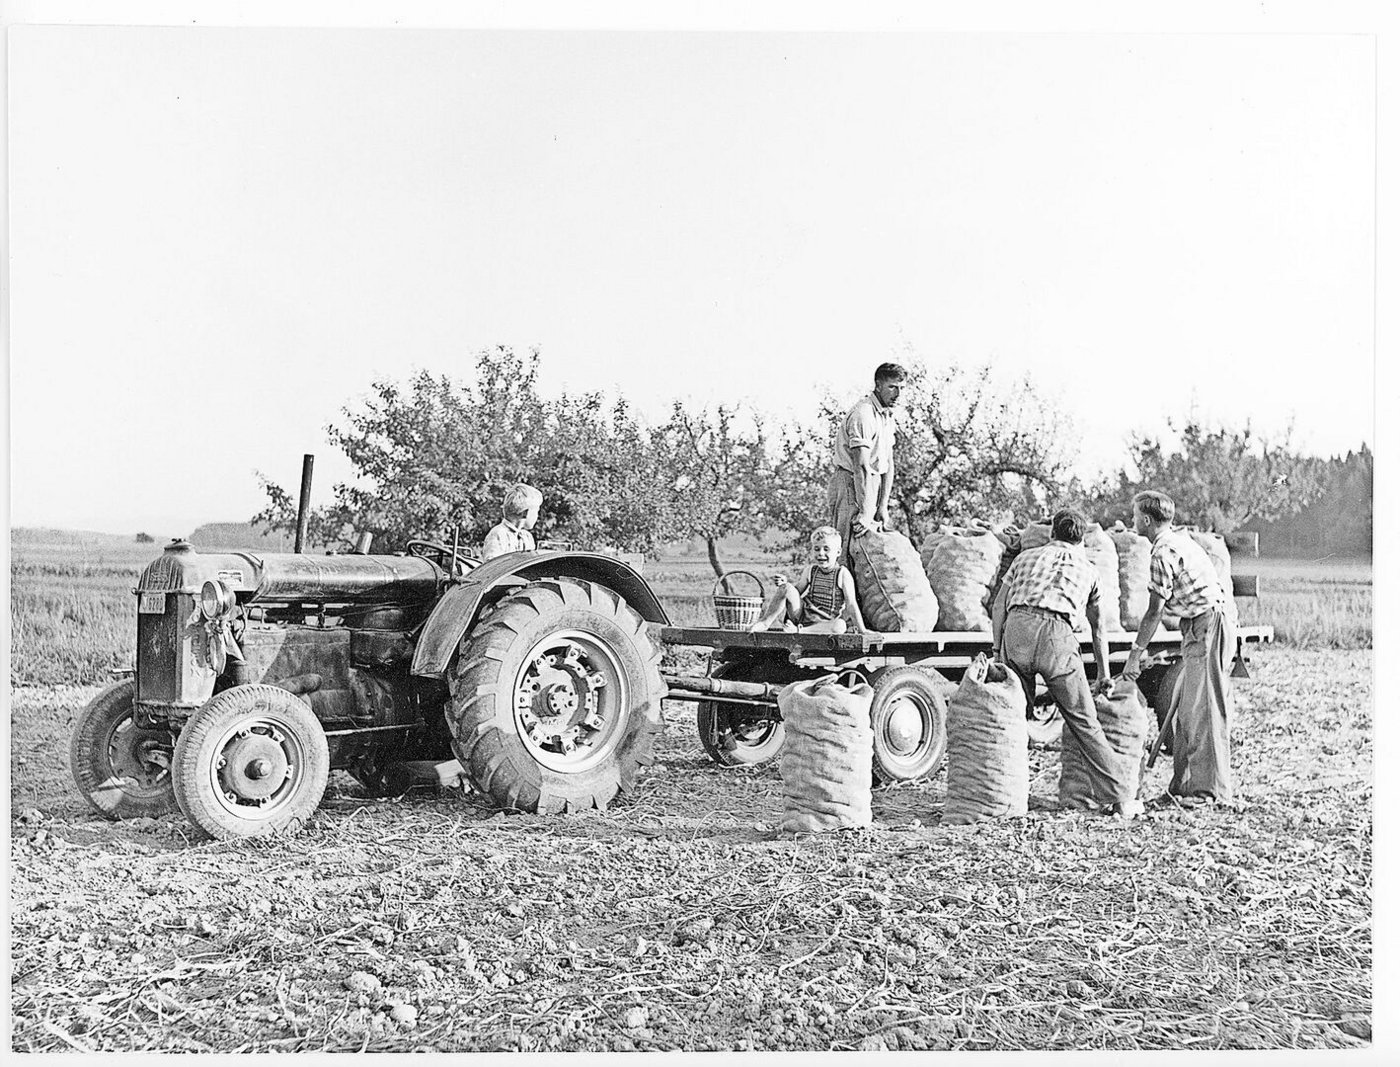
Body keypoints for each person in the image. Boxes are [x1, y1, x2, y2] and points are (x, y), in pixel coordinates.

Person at [991, 507, 1142, 818]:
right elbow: (1098, 628)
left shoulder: (1024, 558)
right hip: (1057, 637)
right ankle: (1121, 798)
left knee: (1013, 718)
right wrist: (1103, 673)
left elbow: (998, 607)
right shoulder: (1089, 570)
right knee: (1085, 722)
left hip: (1017, 629)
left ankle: (1005, 795)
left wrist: (997, 651)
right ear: (1081, 539)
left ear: (1051, 533)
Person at [1120, 490, 1234, 807]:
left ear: (1145, 520)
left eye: (1134, 516)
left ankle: (1209, 792)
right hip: (1200, 624)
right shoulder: (1180, 541)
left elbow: (1154, 611)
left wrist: (1134, 655)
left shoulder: (1161, 553)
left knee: (1205, 711)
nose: (1132, 522)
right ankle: (1182, 787)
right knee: (1187, 709)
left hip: (1208, 625)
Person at [829, 362, 905, 566]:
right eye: (892, 387)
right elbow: (860, 465)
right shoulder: (863, 414)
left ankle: (861, 599)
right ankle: (837, 596)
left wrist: (882, 505)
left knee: (866, 551)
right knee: (842, 548)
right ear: (878, 385)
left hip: (872, 484)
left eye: (901, 388)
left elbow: (888, 463)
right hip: (850, 483)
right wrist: (864, 510)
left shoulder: (888, 416)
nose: (897, 393)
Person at [750, 526, 867, 635]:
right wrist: (784, 585)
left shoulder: (842, 573)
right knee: (786, 587)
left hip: (824, 623)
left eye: (826, 549)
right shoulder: (811, 570)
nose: (821, 553)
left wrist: (862, 630)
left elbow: (851, 604)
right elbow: (796, 592)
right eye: (817, 549)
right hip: (802, 615)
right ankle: (765, 622)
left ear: (838, 552)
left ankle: (800, 630)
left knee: (840, 626)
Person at [480, 483, 542, 561]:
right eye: (536, 511)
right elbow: (492, 568)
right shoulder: (498, 534)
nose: (537, 516)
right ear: (525, 513)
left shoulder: (527, 537)